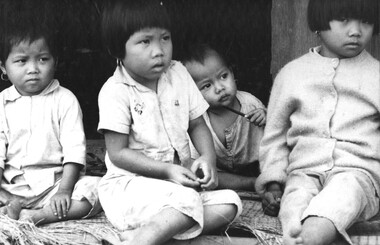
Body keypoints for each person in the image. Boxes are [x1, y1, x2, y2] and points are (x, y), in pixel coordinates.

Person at [97, 0, 242, 244]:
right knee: (188, 200)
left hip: (176, 188)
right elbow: (118, 153)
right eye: (145, 41)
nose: (159, 50)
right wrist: (167, 170)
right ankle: (142, 240)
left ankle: (151, 234)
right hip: (131, 190)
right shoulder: (115, 91)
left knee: (230, 204)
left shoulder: (179, 74)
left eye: (165, 38)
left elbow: (197, 124)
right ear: (117, 49)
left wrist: (207, 158)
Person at [255, 0, 380, 244]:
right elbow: (275, 137)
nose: (356, 31)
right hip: (304, 173)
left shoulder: (377, 75)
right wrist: (273, 184)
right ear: (319, 23)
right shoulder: (292, 74)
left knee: (339, 200)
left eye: (365, 21)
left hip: (357, 175)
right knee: (293, 209)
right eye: (344, 20)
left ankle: (310, 238)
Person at [0, 1, 101, 225]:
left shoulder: (65, 100)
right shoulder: (2, 103)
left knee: (96, 190)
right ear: (4, 68)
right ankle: (11, 207)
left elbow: (75, 150)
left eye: (43, 59)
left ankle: (38, 216)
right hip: (11, 188)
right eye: (21, 61)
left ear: (56, 61)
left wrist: (64, 190)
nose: (33, 68)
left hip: (54, 187)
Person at [182, 44, 266, 191]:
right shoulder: (197, 121)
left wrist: (266, 117)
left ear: (232, 73)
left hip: (257, 167)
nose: (219, 87)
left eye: (223, 76)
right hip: (221, 176)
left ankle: (261, 181)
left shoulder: (251, 105)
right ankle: (252, 183)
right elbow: (197, 166)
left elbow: (274, 138)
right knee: (204, 174)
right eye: (207, 85)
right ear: (192, 93)